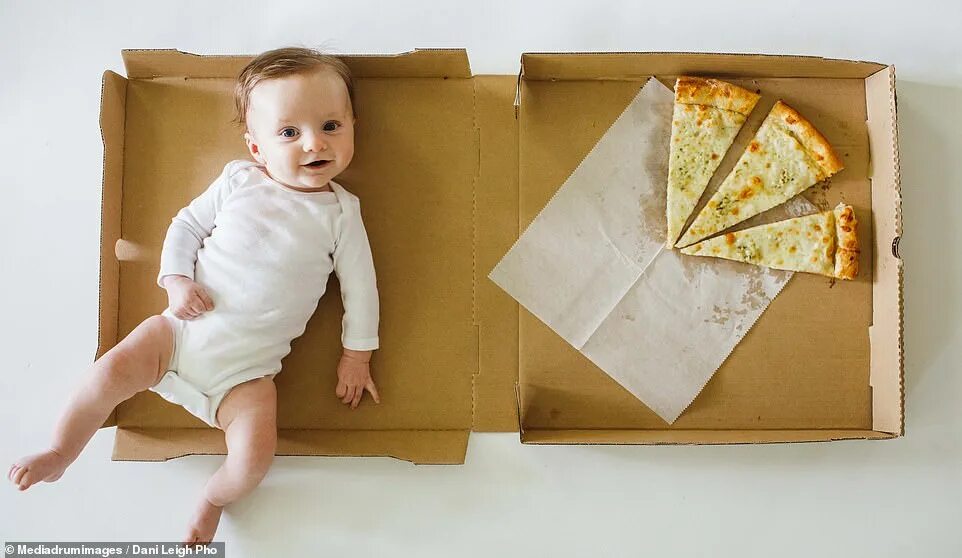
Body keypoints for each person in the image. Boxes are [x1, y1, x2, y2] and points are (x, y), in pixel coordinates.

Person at [8, 47, 381, 544]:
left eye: (332, 125)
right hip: (178, 334)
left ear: (354, 124)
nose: (315, 143)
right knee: (109, 371)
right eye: (289, 133)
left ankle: (213, 497)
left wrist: (357, 354)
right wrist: (176, 280)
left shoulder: (341, 214)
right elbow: (186, 226)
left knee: (254, 459)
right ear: (257, 149)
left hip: (247, 374)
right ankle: (60, 450)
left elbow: (361, 287)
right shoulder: (239, 180)